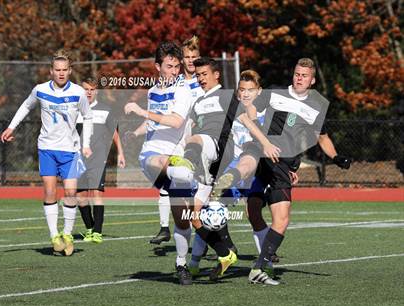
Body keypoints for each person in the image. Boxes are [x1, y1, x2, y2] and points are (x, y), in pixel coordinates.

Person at [213, 58, 351, 285]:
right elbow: (252, 109)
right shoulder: (275, 92)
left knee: (269, 214)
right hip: (266, 150)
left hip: (283, 164)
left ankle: (260, 266)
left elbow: (321, 137)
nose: (299, 78)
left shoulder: (316, 106)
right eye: (297, 74)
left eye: (304, 75)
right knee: (253, 168)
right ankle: (231, 181)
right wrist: (255, 120)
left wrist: (336, 157)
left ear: (312, 80)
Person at [167, 57, 278, 281]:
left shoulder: (250, 108)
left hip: (250, 167)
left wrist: (268, 146)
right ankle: (206, 259)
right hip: (224, 168)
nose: (245, 94)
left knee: (253, 213)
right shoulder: (203, 103)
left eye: (250, 90)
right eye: (242, 90)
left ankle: (265, 263)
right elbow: (193, 129)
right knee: (201, 214)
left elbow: (257, 128)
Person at [0, 49, 93, 256]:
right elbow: (26, 106)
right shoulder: (40, 90)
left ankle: (67, 235)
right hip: (47, 149)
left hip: (70, 150)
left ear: (70, 71)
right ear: (51, 71)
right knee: (50, 192)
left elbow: (88, 117)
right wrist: (11, 127)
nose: (61, 73)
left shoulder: (78, 92)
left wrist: (85, 144)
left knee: (70, 193)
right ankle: (54, 236)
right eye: (57, 69)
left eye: (65, 70)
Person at [124, 41, 194, 285]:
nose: (174, 71)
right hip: (153, 155)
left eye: (177, 66)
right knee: (157, 160)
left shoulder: (184, 90)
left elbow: (175, 122)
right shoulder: (153, 92)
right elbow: (155, 122)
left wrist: (141, 112)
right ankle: (187, 175)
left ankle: (182, 264)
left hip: (177, 159)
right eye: (169, 66)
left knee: (184, 220)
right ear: (157, 67)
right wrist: (136, 132)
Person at [148, 35, 205, 245]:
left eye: (194, 57)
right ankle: (165, 228)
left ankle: (209, 238)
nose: (190, 61)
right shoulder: (175, 82)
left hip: (196, 140)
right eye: (187, 57)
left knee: (199, 195)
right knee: (171, 185)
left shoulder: (202, 83)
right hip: (177, 140)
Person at [76, 78, 125, 244]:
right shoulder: (74, 110)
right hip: (78, 160)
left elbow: (114, 133)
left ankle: (97, 232)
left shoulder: (105, 110)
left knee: (96, 195)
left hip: (98, 159)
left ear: (96, 91)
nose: (88, 92)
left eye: (92, 89)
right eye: (85, 89)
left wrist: (121, 154)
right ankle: (89, 229)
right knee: (81, 198)